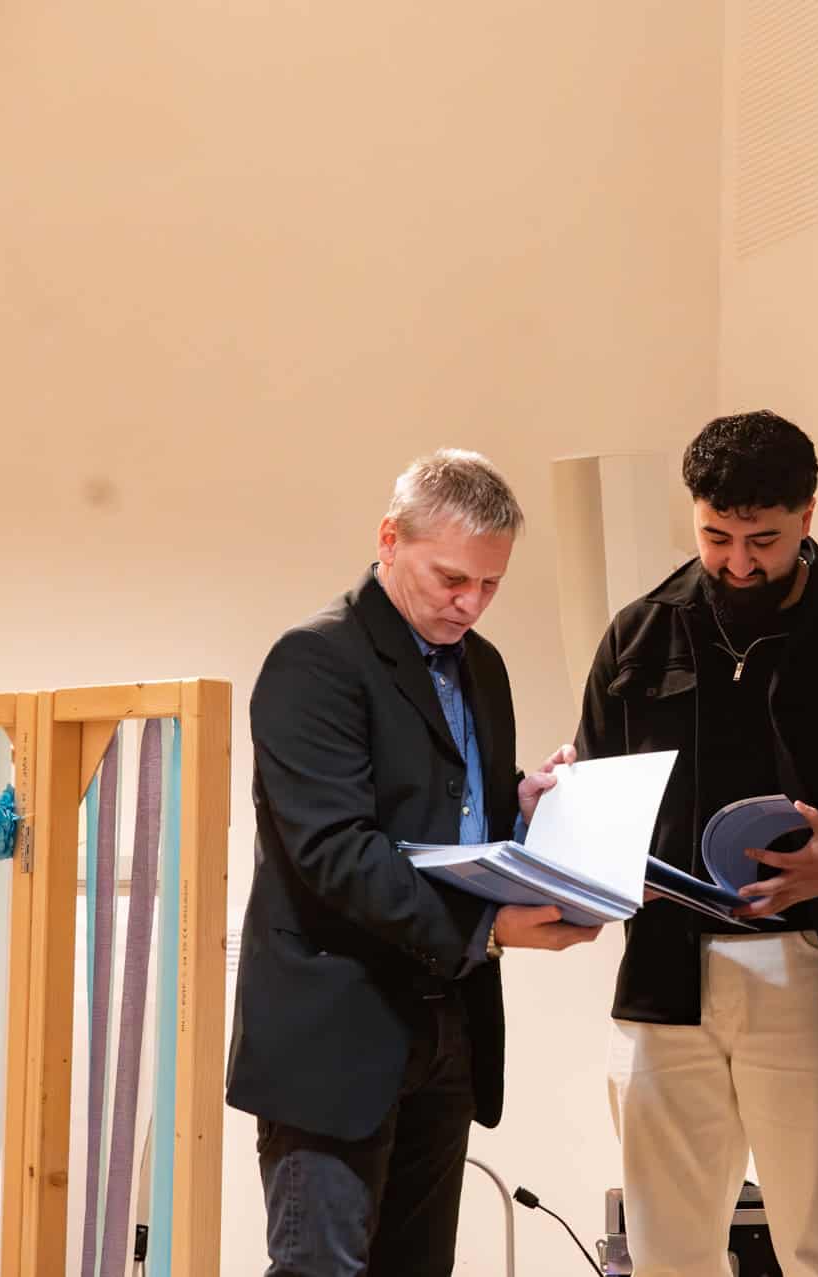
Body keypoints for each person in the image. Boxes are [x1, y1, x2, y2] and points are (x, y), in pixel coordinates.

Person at [574, 410, 818, 1276]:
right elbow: (594, 790)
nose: (739, 563)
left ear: (808, 515)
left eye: (764, 541)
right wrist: (597, 849)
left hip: (816, 967)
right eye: (716, 537)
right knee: (665, 1252)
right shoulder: (638, 632)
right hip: (665, 975)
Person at [228, 450, 599, 1276]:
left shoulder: (483, 666)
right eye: (452, 578)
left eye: (491, 584)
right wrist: (490, 930)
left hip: (447, 1021)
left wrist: (524, 808)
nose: (471, 603)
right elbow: (336, 850)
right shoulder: (314, 661)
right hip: (338, 1027)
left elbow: (449, 815)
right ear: (390, 540)